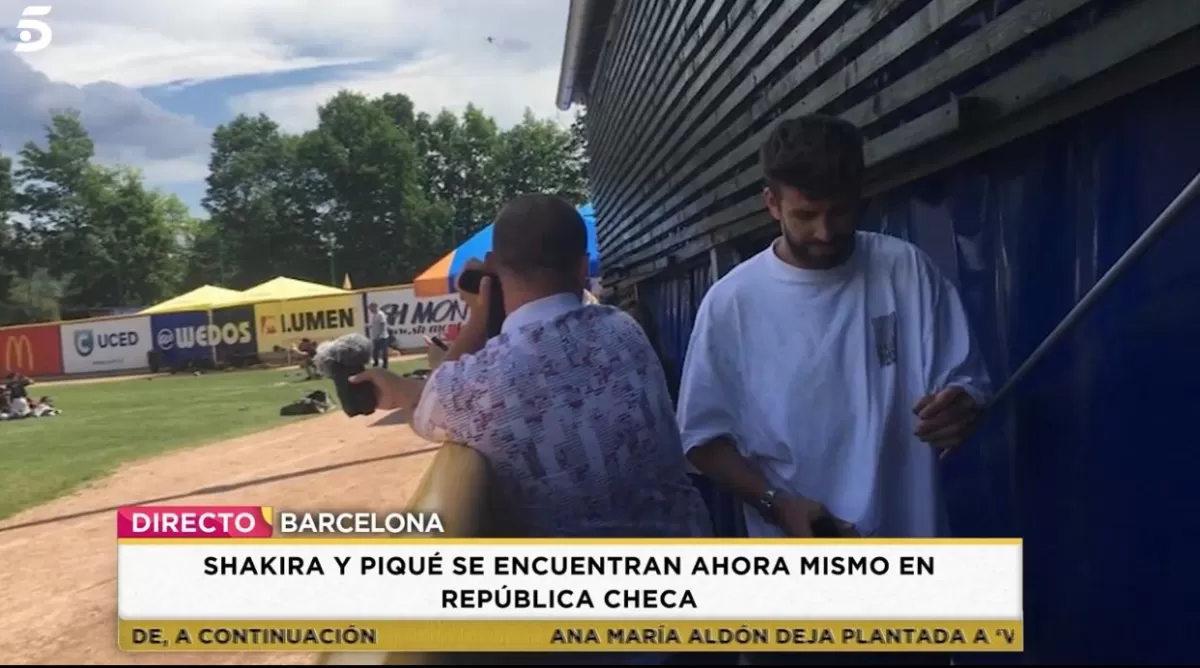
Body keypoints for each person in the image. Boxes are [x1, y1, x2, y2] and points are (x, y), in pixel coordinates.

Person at [676, 115, 991, 664]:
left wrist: (962, 407)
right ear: (771, 203)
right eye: (805, 214)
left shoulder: (905, 270)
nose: (824, 231)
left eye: (840, 210)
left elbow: (964, 381)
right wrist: (779, 505)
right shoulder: (732, 305)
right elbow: (702, 441)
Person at [353, 194, 711, 542]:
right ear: (583, 268)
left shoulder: (482, 380)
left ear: (492, 266)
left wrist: (479, 317)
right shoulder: (622, 330)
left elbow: (434, 402)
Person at [366, 302, 389, 369]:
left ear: (375, 307)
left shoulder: (380, 314)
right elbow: (373, 324)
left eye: (371, 308)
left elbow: (383, 324)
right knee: (375, 352)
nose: (370, 310)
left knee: (383, 352)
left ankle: (385, 365)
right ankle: (376, 363)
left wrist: (380, 334)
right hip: (375, 337)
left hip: (382, 337)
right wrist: (369, 326)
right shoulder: (374, 315)